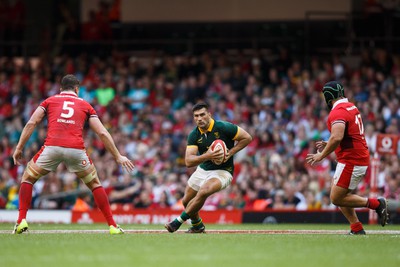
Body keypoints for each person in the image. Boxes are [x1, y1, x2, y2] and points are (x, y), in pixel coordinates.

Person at [12, 74, 135, 235]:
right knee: (95, 185)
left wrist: (19, 148)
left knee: (28, 179)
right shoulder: (85, 105)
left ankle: (21, 220)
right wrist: (118, 156)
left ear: (61, 89)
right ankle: (112, 225)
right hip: (76, 150)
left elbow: (31, 122)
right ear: (77, 89)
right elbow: (102, 132)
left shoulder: (49, 101)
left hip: (52, 147)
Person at [306, 81, 388, 235]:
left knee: (336, 198)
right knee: (339, 193)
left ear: (328, 97)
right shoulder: (351, 106)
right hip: (354, 157)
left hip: (352, 160)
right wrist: (329, 142)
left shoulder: (337, 112)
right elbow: (346, 135)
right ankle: (356, 228)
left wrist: (321, 155)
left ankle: (376, 204)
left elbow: (337, 137)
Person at [165, 102, 252, 233]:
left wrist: (231, 152)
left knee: (204, 191)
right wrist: (208, 155)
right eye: (196, 116)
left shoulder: (223, 127)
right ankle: (197, 226)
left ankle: (177, 222)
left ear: (209, 114)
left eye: (202, 115)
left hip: (223, 171)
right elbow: (188, 161)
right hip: (203, 169)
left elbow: (247, 137)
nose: (199, 118)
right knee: (186, 201)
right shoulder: (194, 135)